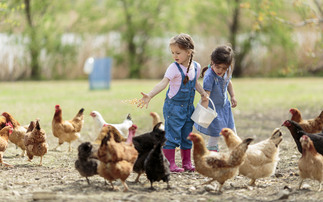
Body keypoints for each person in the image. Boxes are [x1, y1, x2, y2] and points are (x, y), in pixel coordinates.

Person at [137, 33, 208, 172]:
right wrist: (150, 95)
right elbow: (163, 84)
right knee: (172, 136)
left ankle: (187, 163)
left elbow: (195, 83)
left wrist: (203, 93)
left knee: (187, 135)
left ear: (189, 52)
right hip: (173, 108)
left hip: (189, 107)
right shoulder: (173, 68)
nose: (174, 56)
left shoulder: (196, 66)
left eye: (178, 52)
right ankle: (170, 163)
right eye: (172, 52)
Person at [195, 45, 237, 152]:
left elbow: (228, 82)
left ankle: (236, 150)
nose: (221, 70)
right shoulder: (209, 76)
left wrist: (232, 96)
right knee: (215, 133)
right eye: (218, 67)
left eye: (224, 68)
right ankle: (212, 152)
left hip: (224, 106)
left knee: (232, 130)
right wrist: (203, 112)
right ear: (212, 62)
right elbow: (206, 96)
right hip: (213, 109)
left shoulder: (227, 70)